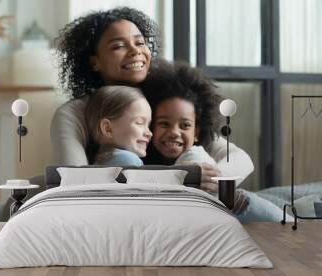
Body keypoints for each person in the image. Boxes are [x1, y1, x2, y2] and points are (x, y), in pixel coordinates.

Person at [52, 7, 253, 193]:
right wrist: (183, 178)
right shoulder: (74, 113)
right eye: (119, 46)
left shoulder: (161, 99)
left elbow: (239, 158)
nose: (135, 51)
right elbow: (75, 181)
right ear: (94, 62)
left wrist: (212, 181)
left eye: (140, 42)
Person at [142, 59, 288, 223]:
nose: (174, 132)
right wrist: (181, 175)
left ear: (196, 131)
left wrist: (212, 179)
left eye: (185, 125)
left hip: (245, 206)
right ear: (151, 124)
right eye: (164, 124)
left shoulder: (201, 147)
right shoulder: (139, 147)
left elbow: (243, 160)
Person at [85, 86, 152, 165]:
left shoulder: (100, 160)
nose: (149, 133)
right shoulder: (127, 160)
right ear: (108, 129)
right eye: (139, 122)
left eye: (148, 125)